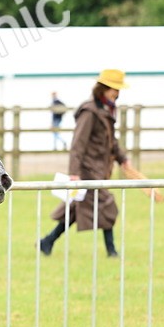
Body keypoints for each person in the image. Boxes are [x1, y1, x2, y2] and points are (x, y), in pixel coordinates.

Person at [38, 70, 134, 259]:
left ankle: (47, 241)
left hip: (98, 169)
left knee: (75, 210)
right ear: (104, 88)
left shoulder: (105, 110)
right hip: (87, 171)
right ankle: (112, 251)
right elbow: (77, 145)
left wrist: (123, 158)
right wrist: (74, 173)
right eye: (114, 89)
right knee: (107, 205)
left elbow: (111, 141)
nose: (117, 93)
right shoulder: (90, 112)